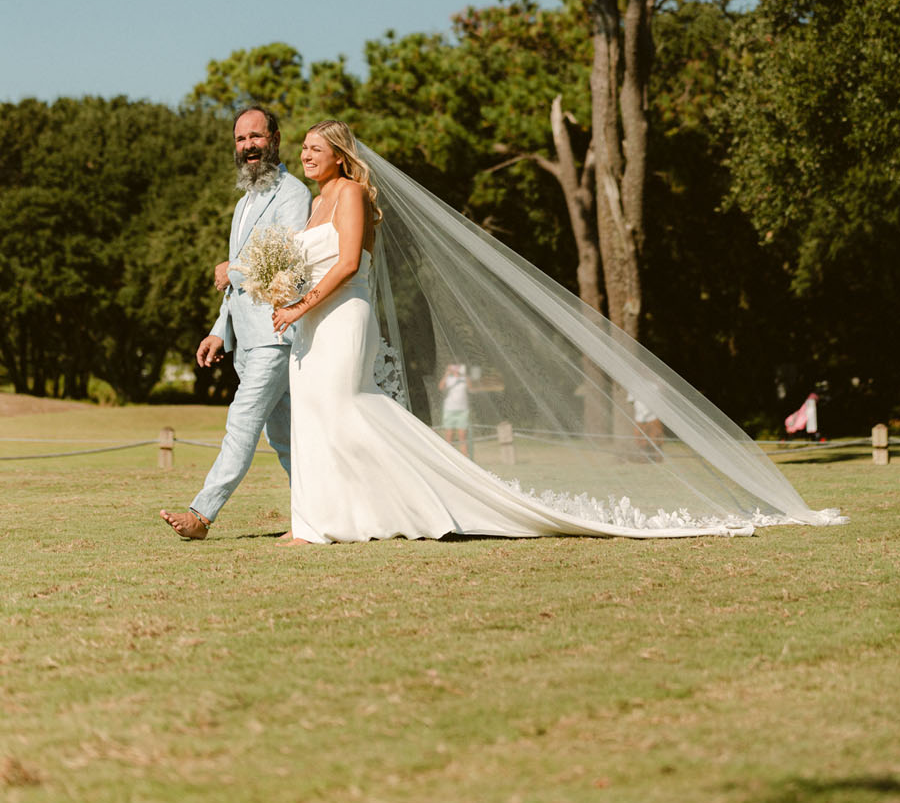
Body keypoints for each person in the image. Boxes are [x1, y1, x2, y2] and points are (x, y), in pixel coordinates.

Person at [271, 121, 845, 544]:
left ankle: (424, 498)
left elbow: (348, 263)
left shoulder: (349, 193)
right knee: (318, 413)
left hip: (343, 314)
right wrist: (279, 290)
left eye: (315, 149)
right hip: (310, 319)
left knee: (352, 406)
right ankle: (327, 518)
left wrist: (302, 305)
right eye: (303, 149)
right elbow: (307, 262)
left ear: (342, 156)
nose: (306, 156)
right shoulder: (315, 201)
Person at [160, 106, 311, 540]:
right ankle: (317, 513)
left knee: (241, 423)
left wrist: (235, 269)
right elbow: (234, 289)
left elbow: (289, 260)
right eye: (240, 140)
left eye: (255, 137)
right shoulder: (243, 203)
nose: (247, 146)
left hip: (276, 335)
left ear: (275, 139)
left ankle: (201, 515)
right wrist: (217, 331)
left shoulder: (294, 194)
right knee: (283, 441)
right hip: (244, 340)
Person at [438, 362, 470, 456]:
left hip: (463, 410)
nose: (456, 369)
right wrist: (447, 373)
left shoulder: (464, 379)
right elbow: (440, 387)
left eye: (458, 367)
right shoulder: (449, 379)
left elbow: (470, 387)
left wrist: (464, 374)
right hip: (450, 409)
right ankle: (450, 457)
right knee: (449, 435)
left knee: (462, 436)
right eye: (454, 367)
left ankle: (465, 456)